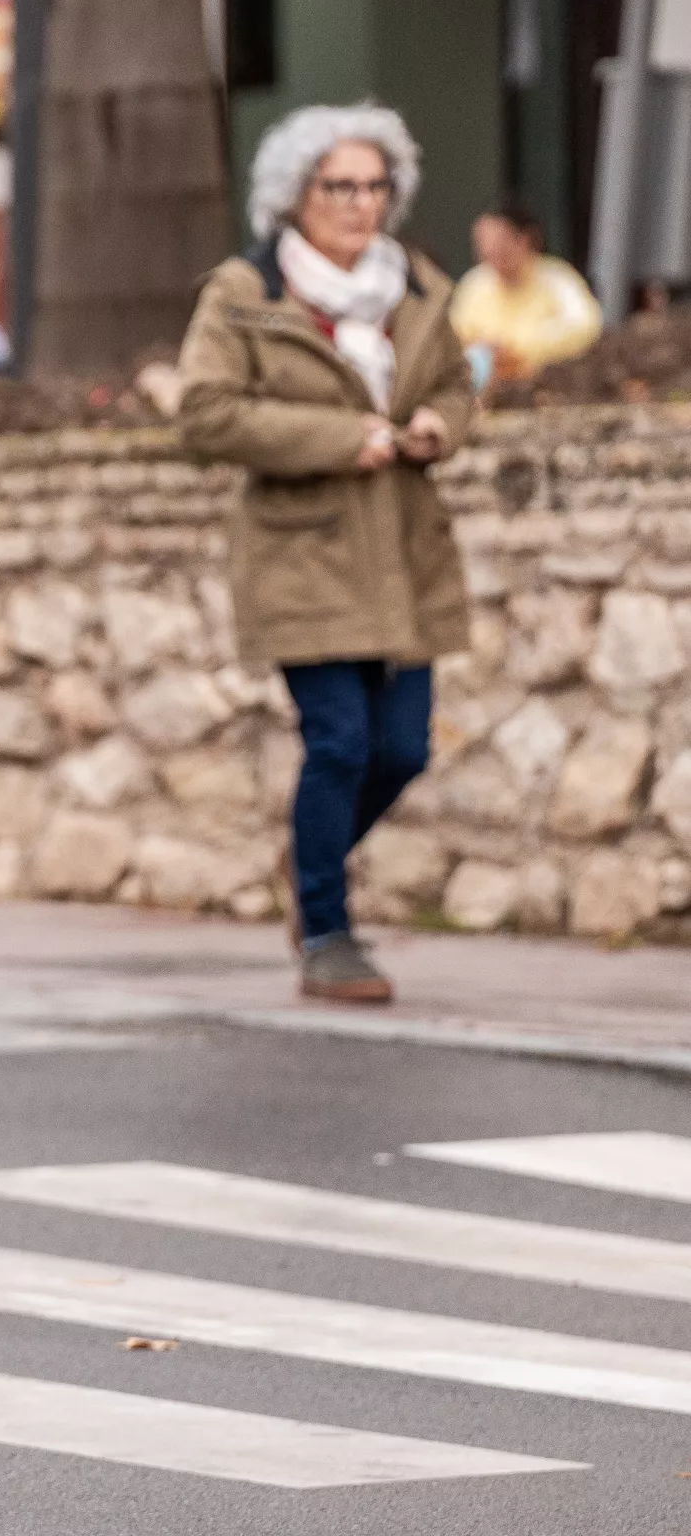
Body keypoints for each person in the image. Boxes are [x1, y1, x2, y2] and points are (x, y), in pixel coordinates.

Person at [179, 103, 471, 1006]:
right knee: (340, 741)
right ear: (294, 193)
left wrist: (438, 426)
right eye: (338, 185)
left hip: (404, 547)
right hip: (302, 551)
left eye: (375, 185)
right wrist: (342, 437)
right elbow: (206, 415)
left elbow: (459, 385)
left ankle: (311, 858)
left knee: (405, 747)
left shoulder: (416, 287)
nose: (359, 203)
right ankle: (328, 931)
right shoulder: (244, 293)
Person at [452, 200, 602, 385]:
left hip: (547, 386)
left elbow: (586, 325)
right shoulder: (475, 283)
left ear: (525, 240)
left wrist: (517, 347)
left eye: (500, 243)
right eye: (483, 243)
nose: (489, 250)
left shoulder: (557, 279)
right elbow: (453, 332)